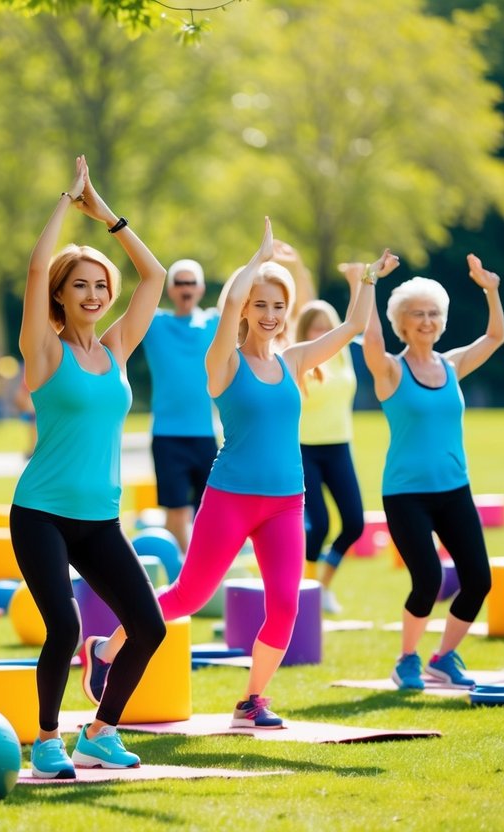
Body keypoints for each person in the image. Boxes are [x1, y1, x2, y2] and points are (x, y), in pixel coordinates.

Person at [89, 219, 391, 728]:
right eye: (261, 305)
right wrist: (258, 260)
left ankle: (252, 701)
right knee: (190, 594)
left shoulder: (295, 361)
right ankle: (106, 647)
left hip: (285, 503)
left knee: (286, 608)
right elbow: (227, 304)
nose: (270, 315)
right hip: (230, 497)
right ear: (247, 308)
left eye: (278, 306)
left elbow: (353, 329)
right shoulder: (222, 361)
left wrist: (368, 281)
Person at [11, 156, 167, 778]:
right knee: (64, 628)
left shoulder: (117, 348)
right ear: (60, 294)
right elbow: (31, 268)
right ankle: (46, 742)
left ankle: (99, 732)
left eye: (101, 286)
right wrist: (63, 203)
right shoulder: (43, 350)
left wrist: (106, 217)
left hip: (99, 519)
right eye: (80, 285)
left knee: (149, 627)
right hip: (41, 513)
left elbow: (151, 276)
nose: (95, 294)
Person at [363, 254, 504, 690]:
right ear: (401, 323)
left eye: (433, 314)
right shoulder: (390, 370)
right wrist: (368, 281)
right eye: (417, 314)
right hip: (406, 494)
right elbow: (368, 340)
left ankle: (443, 658)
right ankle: (407, 659)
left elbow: (496, 336)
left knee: (479, 580)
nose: (427, 321)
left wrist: (491, 288)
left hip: (454, 490)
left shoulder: (452, 365)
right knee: (426, 579)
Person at [141, 258, 219, 554]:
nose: (186, 289)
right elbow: (144, 288)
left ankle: (202, 566)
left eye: (191, 282)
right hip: (166, 436)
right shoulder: (155, 323)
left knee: (208, 510)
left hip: (204, 435)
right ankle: (188, 567)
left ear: (200, 288)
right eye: (179, 283)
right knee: (175, 511)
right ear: (170, 290)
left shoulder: (214, 323)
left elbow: (240, 297)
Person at [296, 288, 365, 616]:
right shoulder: (299, 359)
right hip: (305, 449)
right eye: (315, 328)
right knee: (319, 525)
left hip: (339, 447)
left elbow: (356, 320)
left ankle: (323, 586)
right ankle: (305, 591)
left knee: (354, 523)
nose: (322, 334)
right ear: (305, 330)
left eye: (328, 327)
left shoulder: (343, 353)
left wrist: (360, 283)